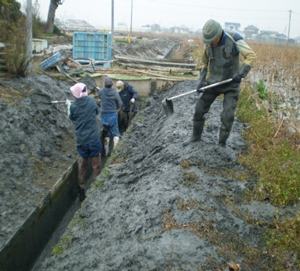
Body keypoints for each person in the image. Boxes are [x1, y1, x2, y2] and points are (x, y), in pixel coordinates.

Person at [183, 19, 256, 147]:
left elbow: (251, 56)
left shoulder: (234, 39)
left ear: (218, 35)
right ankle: (195, 137)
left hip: (231, 84)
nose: (210, 43)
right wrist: (202, 79)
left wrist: (241, 72)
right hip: (214, 83)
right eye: (208, 41)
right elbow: (203, 62)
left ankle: (221, 144)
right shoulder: (208, 45)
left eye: (212, 40)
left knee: (227, 115)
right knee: (199, 108)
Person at [66, 82, 102, 201]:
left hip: (82, 141)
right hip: (93, 139)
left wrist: (68, 107)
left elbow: (71, 117)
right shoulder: (91, 101)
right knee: (96, 165)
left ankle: (81, 191)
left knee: (82, 166)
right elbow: (97, 111)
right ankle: (96, 190)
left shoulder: (74, 106)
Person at [97, 77, 123, 156]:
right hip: (112, 114)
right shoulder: (115, 92)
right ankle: (114, 153)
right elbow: (120, 104)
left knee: (106, 133)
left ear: (104, 84)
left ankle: (106, 152)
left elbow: (99, 96)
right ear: (112, 84)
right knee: (115, 133)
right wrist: (117, 107)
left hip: (104, 116)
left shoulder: (101, 91)